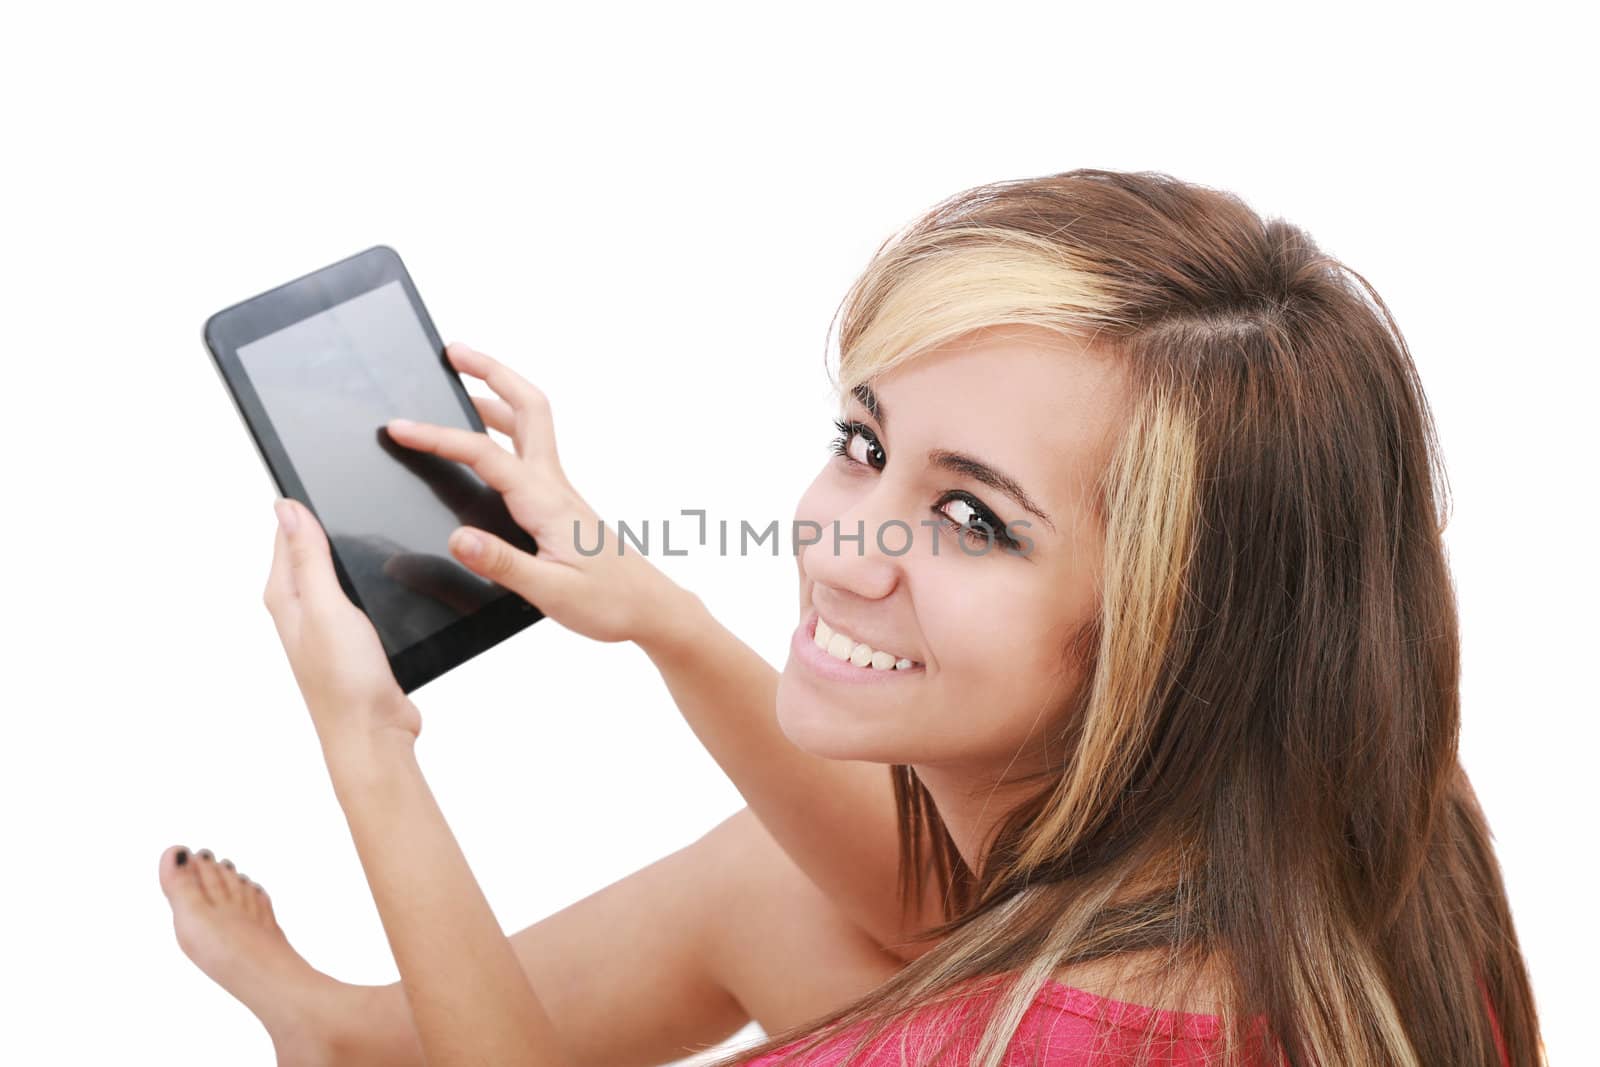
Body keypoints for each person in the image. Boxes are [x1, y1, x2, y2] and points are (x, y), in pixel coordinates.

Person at [157, 169, 1540, 1065]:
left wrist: (367, 740)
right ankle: (347, 1033)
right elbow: (933, 896)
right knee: (771, 873)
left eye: (977, 518)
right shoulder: (1365, 813)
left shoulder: (984, 1047)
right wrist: (663, 616)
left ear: (1182, 639)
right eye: (866, 443)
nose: (838, 546)